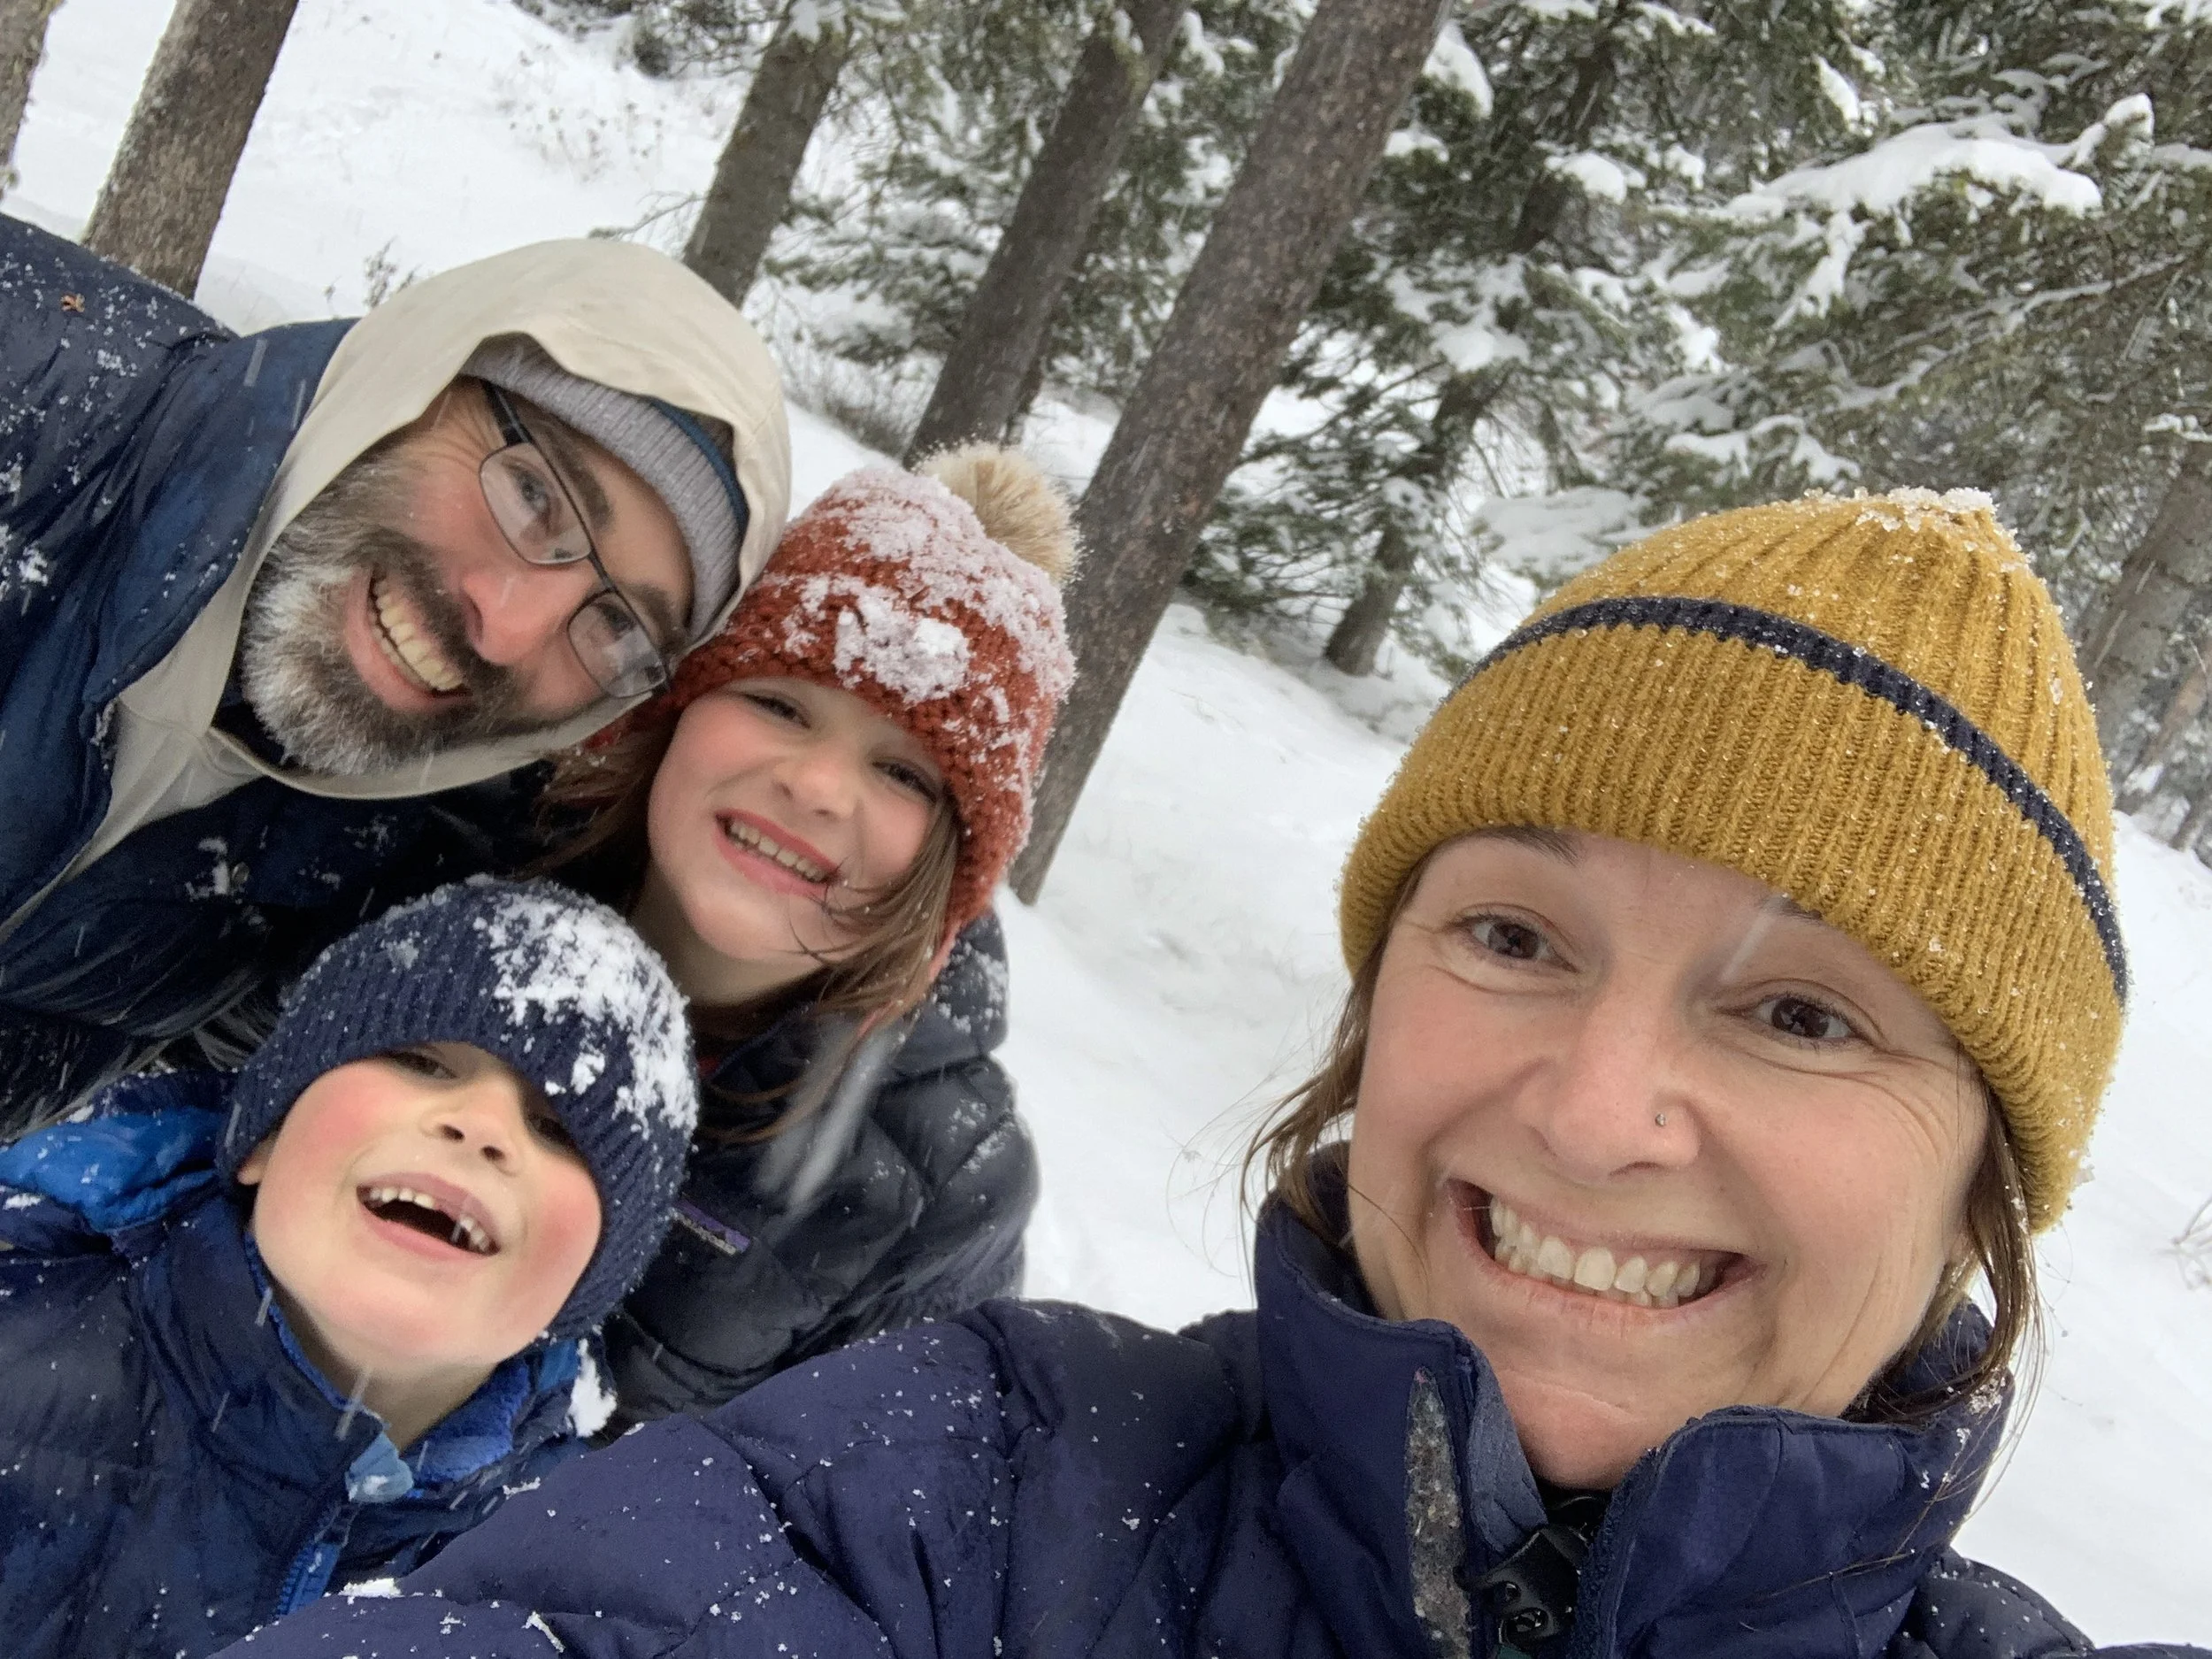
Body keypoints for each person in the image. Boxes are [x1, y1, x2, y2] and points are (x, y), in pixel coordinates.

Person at [213, 488, 2208, 1659]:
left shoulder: (934, 1169)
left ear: (1989, 1174)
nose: (1597, 1115)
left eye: (1804, 1015)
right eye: (1516, 937)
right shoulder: (977, 1485)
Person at [0, 212, 790, 1130]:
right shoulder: (32, 379)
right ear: (411, 375)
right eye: (533, 493)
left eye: (616, 625)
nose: (508, 629)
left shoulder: (373, 862)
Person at [0, 877, 696, 1659]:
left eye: (558, 1128)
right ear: (263, 1138)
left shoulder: (592, 1582)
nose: (481, 1124)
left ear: (587, 1284)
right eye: (419, 1059)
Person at [543, 443, 1074, 1425]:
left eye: (904, 772)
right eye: (779, 703)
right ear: (676, 704)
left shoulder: (947, 1184)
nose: (819, 786)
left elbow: (872, 1496)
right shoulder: (453, 852)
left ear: (955, 860)